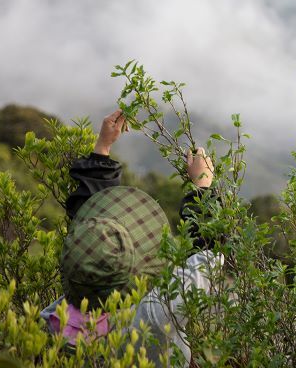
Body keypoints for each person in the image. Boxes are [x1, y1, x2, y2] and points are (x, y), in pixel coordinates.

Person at [39, 109, 221, 365]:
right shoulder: (153, 312)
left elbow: (92, 237)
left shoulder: (56, 319)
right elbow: (209, 260)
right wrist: (202, 186)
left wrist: (102, 148)